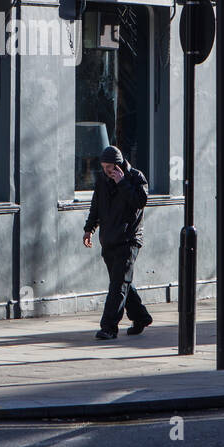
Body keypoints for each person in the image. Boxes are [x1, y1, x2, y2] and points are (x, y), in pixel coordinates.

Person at [83, 145, 153, 340]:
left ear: (119, 164)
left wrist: (122, 182)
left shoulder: (136, 177)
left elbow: (139, 202)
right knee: (122, 283)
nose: (106, 171)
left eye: (109, 167)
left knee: (118, 285)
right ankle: (141, 317)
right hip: (108, 239)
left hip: (129, 239)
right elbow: (95, 208)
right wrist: (89, 229)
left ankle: (109, 327)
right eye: (104, 167)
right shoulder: (102, 182)